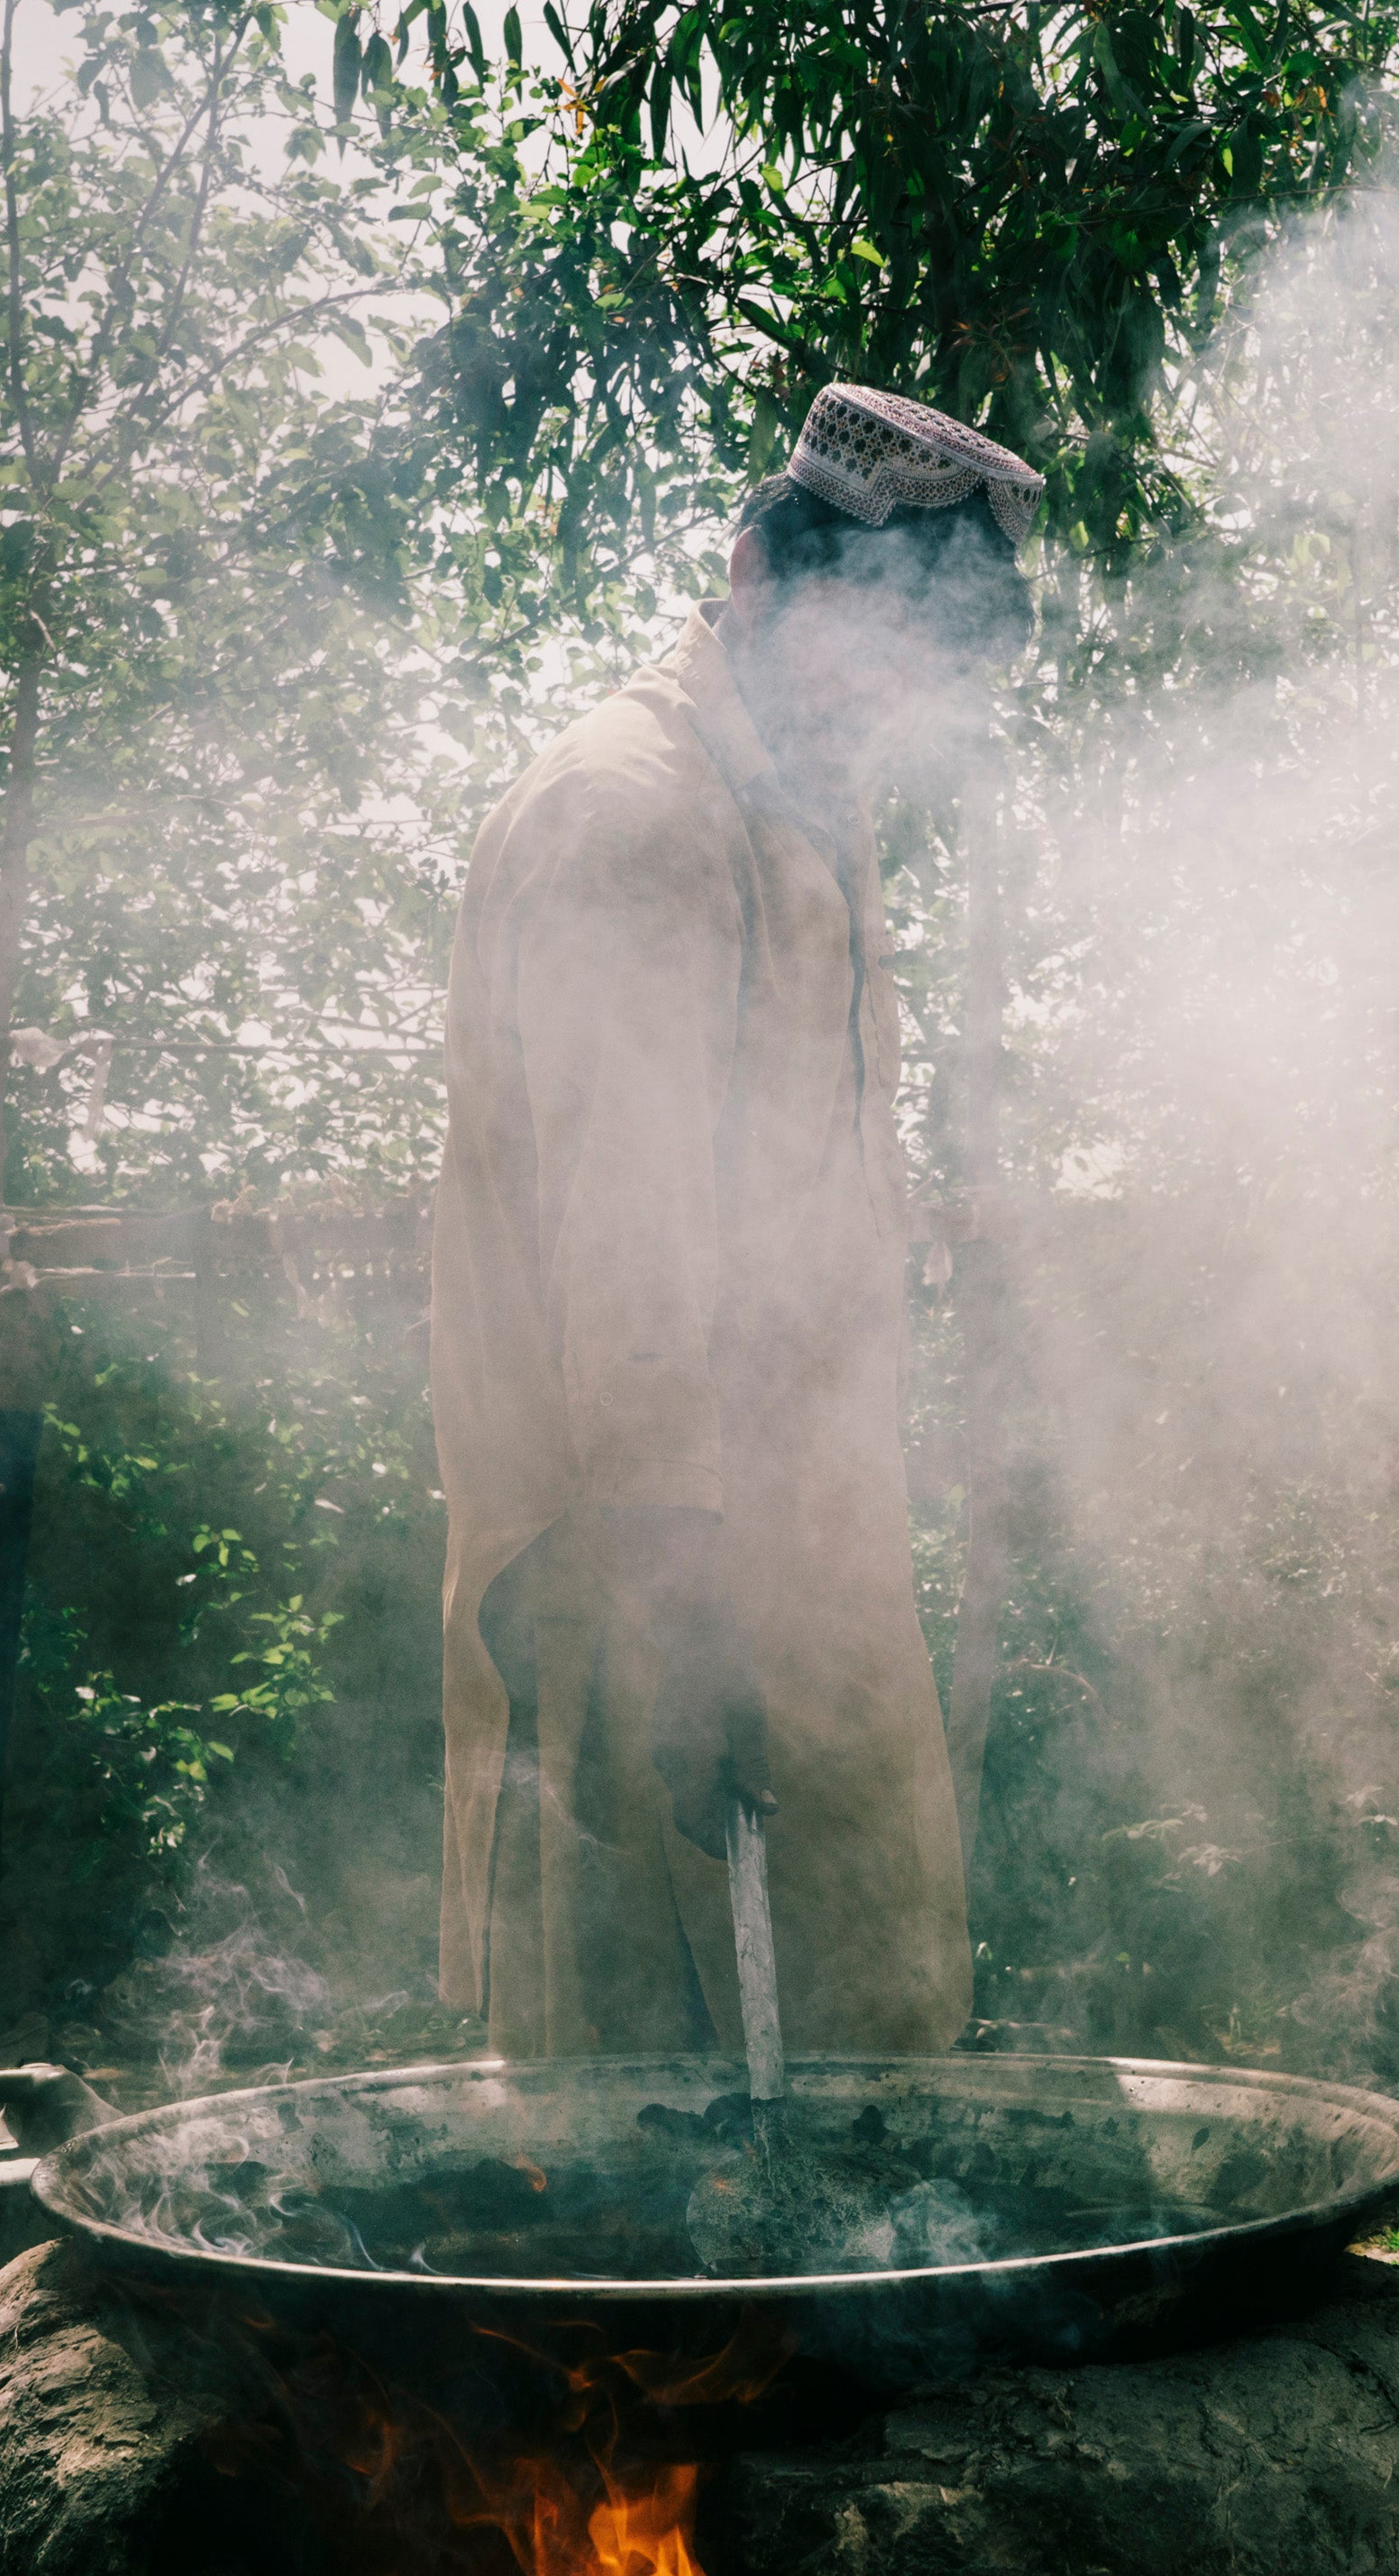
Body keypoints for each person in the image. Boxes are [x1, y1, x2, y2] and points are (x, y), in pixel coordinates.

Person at [430, 384, 1041, 2059]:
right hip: (646, 1579)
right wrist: (684, 1637)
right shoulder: (631, 817)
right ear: (760, 580)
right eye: (882, 656)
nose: (898, 709)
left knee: (859, 2099)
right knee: (644, 2146)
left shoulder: (805, 814)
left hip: (801, 1556)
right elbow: (625, 1263)